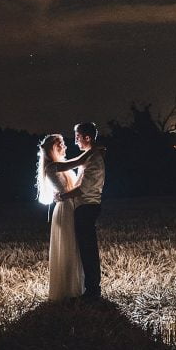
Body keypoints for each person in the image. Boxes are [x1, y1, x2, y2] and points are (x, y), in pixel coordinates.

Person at [36, 133, 93, 301]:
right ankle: (68, 289)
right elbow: (77, 162)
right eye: (62, 144)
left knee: (74, 246)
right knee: (69, 246)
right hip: (66, 209)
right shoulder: (52, 167)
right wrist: (94, 150)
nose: (66, 147)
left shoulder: (58, 165)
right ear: (55, 147)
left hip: (69, 205)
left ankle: (75, 286)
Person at [57, 122, 105, 301]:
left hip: (87, 206)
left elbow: (82, 189)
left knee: (88, 249)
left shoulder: (94, 158)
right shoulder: (90, 155)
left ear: (87, 137)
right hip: (84, 206)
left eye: (78, 137)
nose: (75, 141)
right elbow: (74, 164)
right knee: (85, 248)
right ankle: (91, 288)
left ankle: (93, 291)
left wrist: (62, 196)